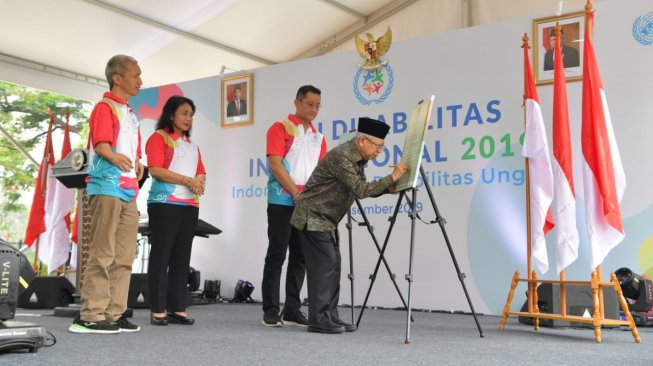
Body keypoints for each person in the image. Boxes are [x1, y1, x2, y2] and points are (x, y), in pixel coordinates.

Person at [290, 117, 408, 334]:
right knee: (324, 266)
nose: (379, 152)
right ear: (362, 141)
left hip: (326, 220)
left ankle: (330, 316)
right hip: (312, 216)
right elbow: (361, 190)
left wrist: (388, 186)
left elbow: (361, 187)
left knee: (333, 266)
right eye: (377, 146)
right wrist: (392, 178)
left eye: (382, 147)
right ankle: (318, 319)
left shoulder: (358, 159)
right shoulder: (343, 156)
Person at [69, 54, 144, 334]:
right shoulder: (105, 107)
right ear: (117, 78)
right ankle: (90, 314)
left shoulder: (130, 113)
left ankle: (114, 313)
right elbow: (102, 147)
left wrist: (137, 162)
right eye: (135, 75)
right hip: (107, 186)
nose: (140, 80)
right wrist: (115, 157)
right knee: (103, 252)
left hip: (128, 189)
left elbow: (133, 149)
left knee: (124, 256)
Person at [261, 85, 327, 327]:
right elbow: (276, 165)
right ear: (297, 103)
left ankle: (292, 309)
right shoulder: (279, 128)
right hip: (281, 199)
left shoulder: (318, 137)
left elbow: (321, 172)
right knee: (277, 254)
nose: (314, 109)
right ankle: (270, 310)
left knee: (300, 256)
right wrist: (295, 191)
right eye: (310, 104)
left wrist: (311, 195)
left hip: (305, 204)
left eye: (318, 105)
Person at [146, 95, 206, 326]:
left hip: (190, 205)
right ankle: (158, 308)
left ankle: (177, 307)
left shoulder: (193, 145)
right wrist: (188, 180)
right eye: (184, 113)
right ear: (171, 114)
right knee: (162, 255)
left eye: (191, 114)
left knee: (182, 257)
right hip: (164, 203)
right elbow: (156, 170)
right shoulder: (158, 138)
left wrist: (199, 181)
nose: (188, 118)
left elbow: (201, 170)